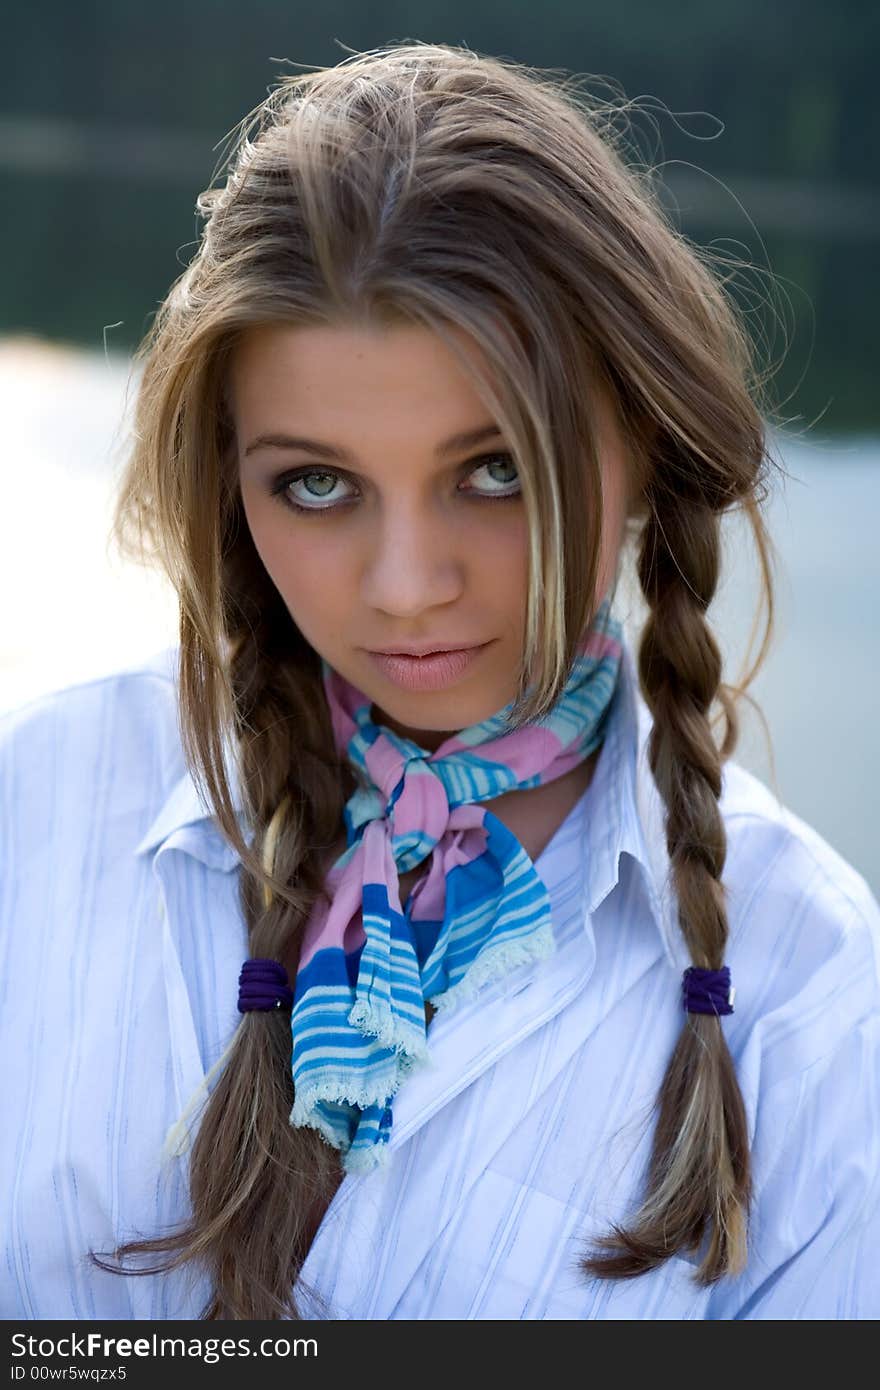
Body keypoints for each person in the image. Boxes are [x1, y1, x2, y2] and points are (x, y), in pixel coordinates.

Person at [2, 40, 879, 1323]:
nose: (407, 586)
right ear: (230, 487)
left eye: (493, 472)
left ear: (641, 439)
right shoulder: (36, 806)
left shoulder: (811, 991)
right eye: (316, 483)